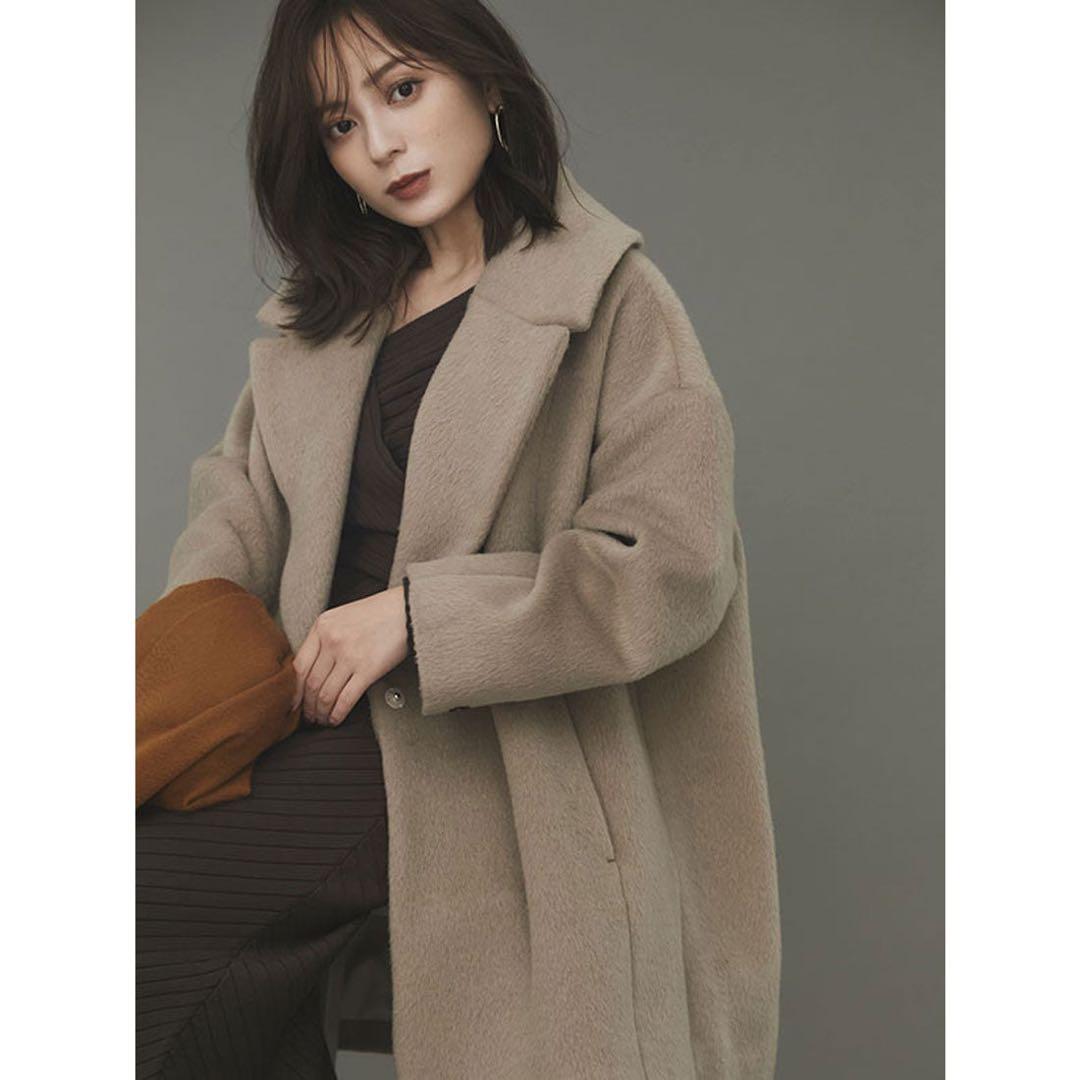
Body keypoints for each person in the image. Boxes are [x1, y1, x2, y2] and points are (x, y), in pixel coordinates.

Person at [139, 1, 781, 1077]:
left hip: (492, 756)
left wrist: (421, 618)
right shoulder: (327, 316)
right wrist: (203, 645)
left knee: (142, 915)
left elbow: (671, 564)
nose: (382, 144)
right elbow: (237, 500)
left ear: (485, 81)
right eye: (341, 124)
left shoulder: (612, 298)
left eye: (403, 90)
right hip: (307, 722)